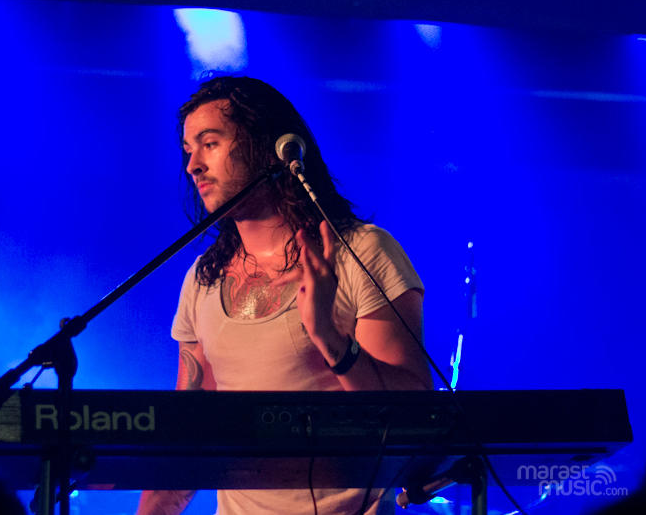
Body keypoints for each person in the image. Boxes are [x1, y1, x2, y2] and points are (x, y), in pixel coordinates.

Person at [137, 76, 431, 515]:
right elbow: (187, 440)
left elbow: (414, 412)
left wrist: (330, 339)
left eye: (210, 144)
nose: (193, 165)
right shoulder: (201, 280)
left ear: (268, 147)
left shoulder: (361, 252)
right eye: (188, 150)